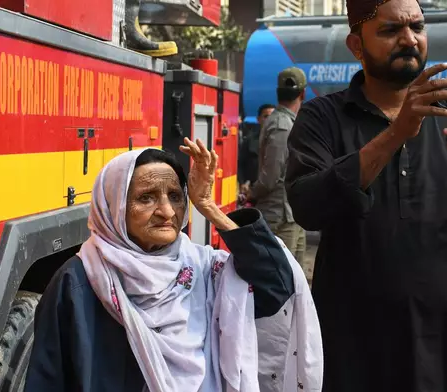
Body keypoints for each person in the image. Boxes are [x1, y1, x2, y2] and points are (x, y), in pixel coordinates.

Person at [284, 0, 447, 391]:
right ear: (356, 46)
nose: (409, 39)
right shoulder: (323, 117)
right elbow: (309, 206)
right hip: (356, 345)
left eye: (418, 28)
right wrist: (397, 131)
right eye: (391, 30)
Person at [23, 141, 323, 392]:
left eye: (176, 197)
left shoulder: (205, 269)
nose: (166, 211)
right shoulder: (80, 281)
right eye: (146, 198)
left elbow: (278, 285)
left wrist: (207, 205)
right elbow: (48, 379)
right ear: (113, 207)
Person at [247, 68, 307, 263]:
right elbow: (271, 177)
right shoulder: (282, 125)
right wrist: (252, 194)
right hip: (279, 218)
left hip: (290, 216)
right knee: (282, 279)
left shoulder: (287, 122)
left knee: (295, 283)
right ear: (303, 93)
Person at [239, 103, 276, 195]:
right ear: (258, 119)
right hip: (252, 190)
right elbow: (240, 163)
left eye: (272, 116)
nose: (269, 119)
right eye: (266, 116)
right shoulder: (249, 140)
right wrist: (242, 182)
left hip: (274, 192)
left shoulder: (283, 140)